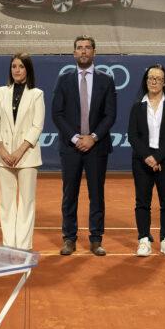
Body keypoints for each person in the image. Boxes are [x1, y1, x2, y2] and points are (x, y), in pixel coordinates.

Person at [52, 36, 117, 256]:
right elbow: (57, 113)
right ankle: (69, 238)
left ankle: (96, 239)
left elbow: (110, 115)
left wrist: (93, 137)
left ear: (94, 52)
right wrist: (75, 138)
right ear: (74, 53)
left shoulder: (106, 81)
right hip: (70, 147)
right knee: (69, 194)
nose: (83, 51)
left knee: (96, 194)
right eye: (79, 48)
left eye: (87, 48)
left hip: (97, 147)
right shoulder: (64, 80)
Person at [0, 53, 45, 250]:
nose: (17, 70)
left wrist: (19, 151)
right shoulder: (0, 92)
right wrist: (2, 150)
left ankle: (23, 246)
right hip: (2, 156)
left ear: (27, 70)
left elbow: (37, 125)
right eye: (14, 66)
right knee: (6, 202)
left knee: (26, 201)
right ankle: (8, 244)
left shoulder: (37, 94)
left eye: (21, 66)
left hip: (27, 155)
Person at [127, 64, 165, 257]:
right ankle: (143, 239)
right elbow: (132, 136)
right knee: (142, 201)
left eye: (158, 78)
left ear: (164, 82)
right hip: (142, 161)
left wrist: (157, 157)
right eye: (150, 78)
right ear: (146, 80)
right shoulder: (137, 106)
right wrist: (148, 157)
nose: (154, 81)